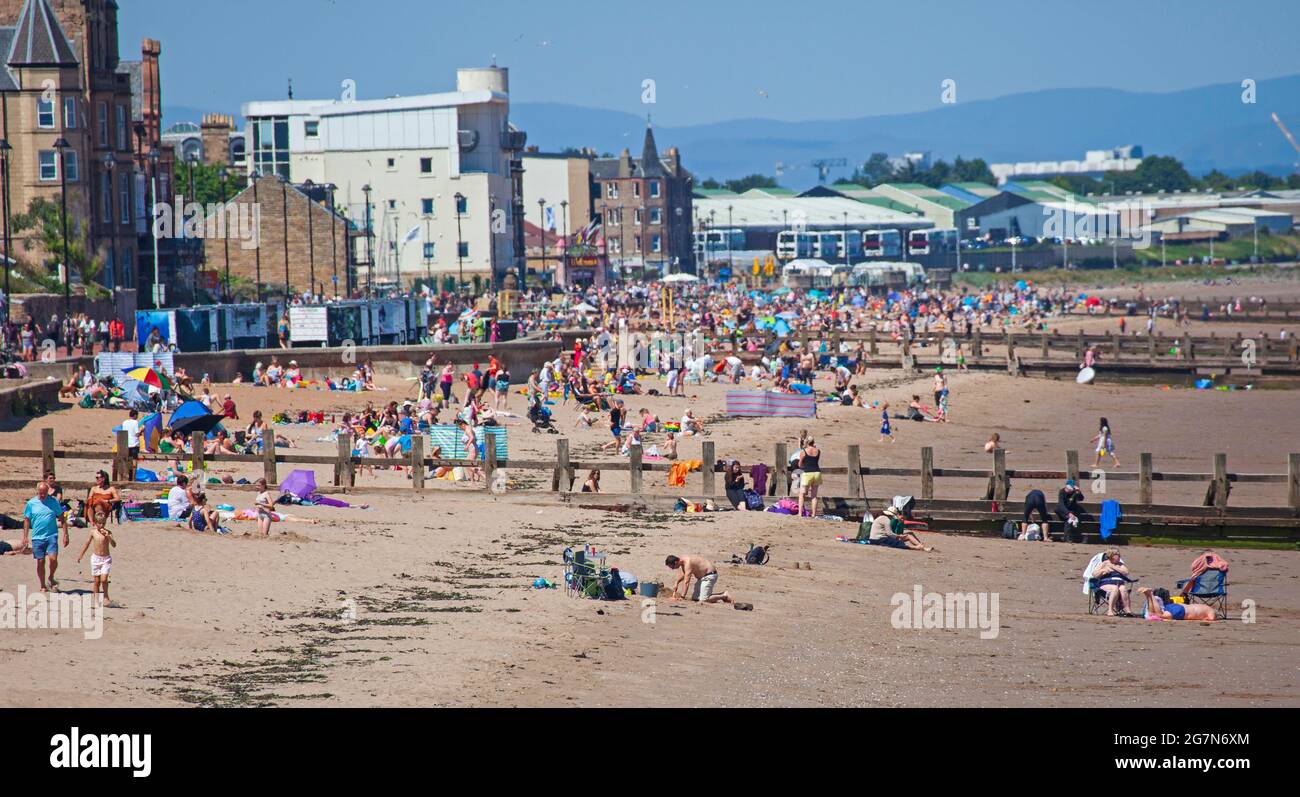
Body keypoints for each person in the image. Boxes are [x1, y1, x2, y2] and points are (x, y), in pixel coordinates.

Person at [23, 481, 69, 592]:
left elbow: (62, 518)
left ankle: (51, 576)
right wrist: (25, 536)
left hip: (51, 535)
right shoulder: (31, 503)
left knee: (53, 559)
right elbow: (27, 520)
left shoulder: (53, 502)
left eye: (45, 492)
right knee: (40, 561)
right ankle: (42, 585)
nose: (43, 495)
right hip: (37, 537)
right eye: (41, 492)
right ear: (37, 491)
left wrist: (65, 534)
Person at [76, 508, 117, 607]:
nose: (101, 525)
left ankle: (106, 597)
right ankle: (95, 599)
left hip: (106, 559)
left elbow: (114, 545)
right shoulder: (93, 532)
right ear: (95, 523)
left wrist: (108, 537)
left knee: (104, 579)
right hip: (95, 559)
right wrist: (81, 555)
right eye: (99, 523)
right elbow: (87, 543)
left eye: (103, 523)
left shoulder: (108, 532)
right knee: (96, 581)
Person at [665, 554, 733, 604]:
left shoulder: (688, 562)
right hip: (702, 578)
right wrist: (676, 582)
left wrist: (682, 597)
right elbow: (684, 573)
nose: (672, 569)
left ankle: (724, 595)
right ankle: (714, 597)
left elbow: (686, 582)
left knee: (703, 600)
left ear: (676, 562)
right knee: (695, 599)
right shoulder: (682, 560)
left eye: (672, 567)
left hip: (709, 575)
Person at [866, 505, 934, 551]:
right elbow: (890, 534)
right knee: (898, 543)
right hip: (879, 539)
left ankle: (922, 547)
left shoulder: (882, 518)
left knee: (908, 536)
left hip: (878, 537)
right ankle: (917, 547)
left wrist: (899, 535)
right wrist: (899, 536)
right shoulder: (886, 520)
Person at [1091, 547, 1134, 616]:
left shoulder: (1120, 564)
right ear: (1111, 555)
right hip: (1106, 583)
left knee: (1123, 589)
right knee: (1114, 588)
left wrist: (1114, 567)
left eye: (1120, 555)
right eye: (1118, 555)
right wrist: (1103, 570)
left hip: (1119, 583)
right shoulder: (1104, 563)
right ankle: (1110, 610)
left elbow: (1126, 572)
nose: (1119, 556)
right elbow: (1094, 574)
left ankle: (1128, 610)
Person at [1138, 586, 1218, 621]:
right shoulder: (1212, 613)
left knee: (1152, 614)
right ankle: (1151, 595)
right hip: (1181, 611)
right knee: (1158, 615)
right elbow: (1210, 619)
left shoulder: (1206, 607)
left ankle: (1148, 595)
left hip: (1177, 605)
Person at [796, 437, 822, 518]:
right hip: (817, 473)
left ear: (806, 442)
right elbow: (815, 461)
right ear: (813, 442)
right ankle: (814, 514)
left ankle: (800, 514)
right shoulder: (818, 451)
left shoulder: (803, 451)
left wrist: (803, 466)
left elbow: (800, 464)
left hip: (807, 473)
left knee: (802, 494)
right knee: (814, 496)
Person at [120, 408, 141, 477]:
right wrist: (142, 431)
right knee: (134, 461)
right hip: (134, 444)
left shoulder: (124, 422)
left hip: (126, 443)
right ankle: (133, 477)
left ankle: (126, 476)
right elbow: (137, 434)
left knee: (127, 461)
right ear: (135, 415)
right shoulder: (135, 422)